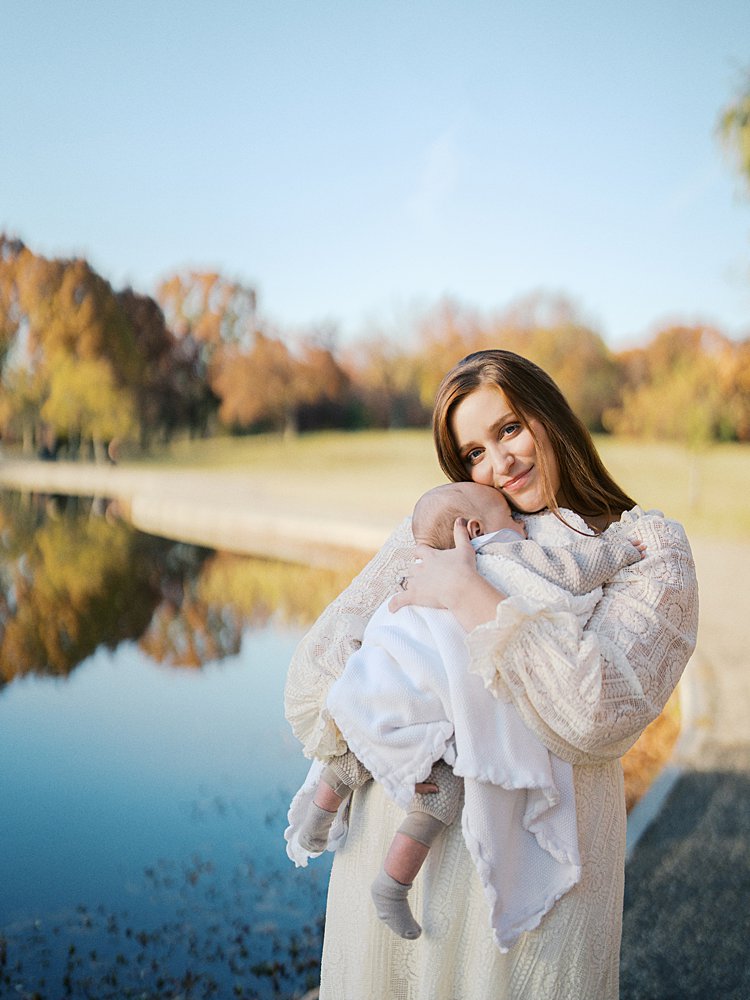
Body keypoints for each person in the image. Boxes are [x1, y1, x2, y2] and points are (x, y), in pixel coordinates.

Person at [284, 350, 699, 1000]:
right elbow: (313, 686)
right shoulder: (455, 524)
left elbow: (595, 716)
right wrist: (394, 676)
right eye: (472, 453)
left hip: (539, 902)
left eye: (508, 429)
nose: (497, 464)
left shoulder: (645, 549)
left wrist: (465, 594)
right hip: (393, 837)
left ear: (550, 415)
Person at [286, 480, 643, 948]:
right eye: (509, 518)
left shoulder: (420, 566)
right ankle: (393, 884)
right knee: (440, 793)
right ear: (473, 529)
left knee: (359, 742)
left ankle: (318, 817)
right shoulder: (504, 553)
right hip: (431, 686)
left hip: (387, 680)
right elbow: (572, 572)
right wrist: (618, 550)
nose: (520, 524)